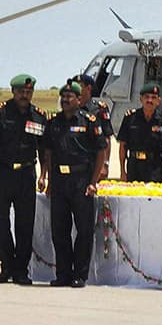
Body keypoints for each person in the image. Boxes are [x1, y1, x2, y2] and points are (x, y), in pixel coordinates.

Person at [0, 74, 48, 285]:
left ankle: (21, 270)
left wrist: (44, 175)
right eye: (21, 92)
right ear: (13, 92)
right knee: (0, 223)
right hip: (1, 173)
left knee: (25, 224)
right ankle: (5, 266)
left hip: (27, 174)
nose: (24, 95)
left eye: (28, 92)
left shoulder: (39, 115)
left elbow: (45, 150)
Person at [41, 80, 106, 288]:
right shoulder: (53, 122)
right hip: (60, 182)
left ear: (79, 100)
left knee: (84, 231)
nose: (66, 100)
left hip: (81, 181)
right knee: (59, 231)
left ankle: (80, 275)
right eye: (64, 97)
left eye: (70, 97)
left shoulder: (89, 120)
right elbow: (48, 152)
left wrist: (93, 182)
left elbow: (100, 151)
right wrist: (48, 179)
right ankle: (63, 274)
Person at [116, 83, 162, 182]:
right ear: (141, 99)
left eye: (153, 97)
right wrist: (122, 171)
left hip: (154, 166)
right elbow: (122, 145)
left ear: (158, 101)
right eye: (146, 97)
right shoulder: (130, 117)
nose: (149, 100)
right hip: (134, 165)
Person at [74, 73, 114, 178]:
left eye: (79, 87)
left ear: (88, 88)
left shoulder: (99, 109)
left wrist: (105, 164)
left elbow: (106, 138)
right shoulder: (70, 109)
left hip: (94, 161)